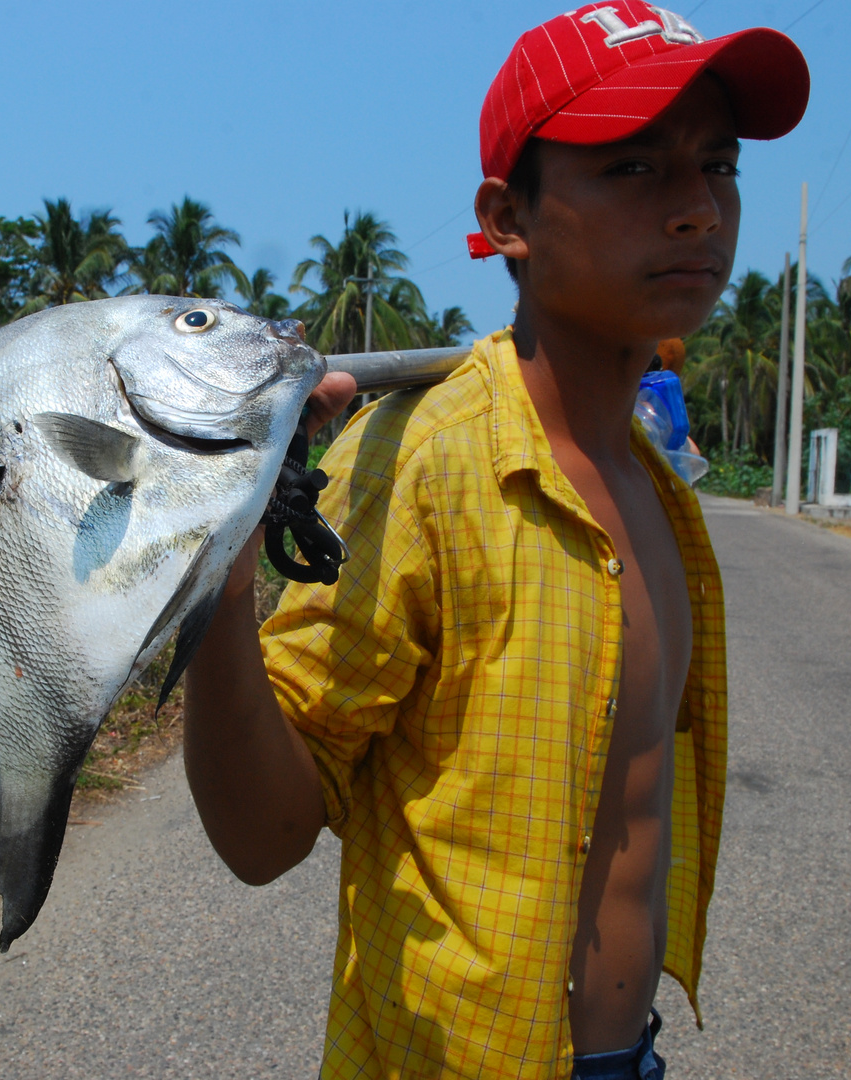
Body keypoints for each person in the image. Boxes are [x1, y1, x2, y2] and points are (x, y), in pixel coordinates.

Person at [183, 4, 809, 1076]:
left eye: (716, 164)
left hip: (624, 1058)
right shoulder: (420, 462)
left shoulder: (660, 493)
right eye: (632, 168)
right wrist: (216, 570)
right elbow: (260, 836)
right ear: (505, 215)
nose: (697, 209)